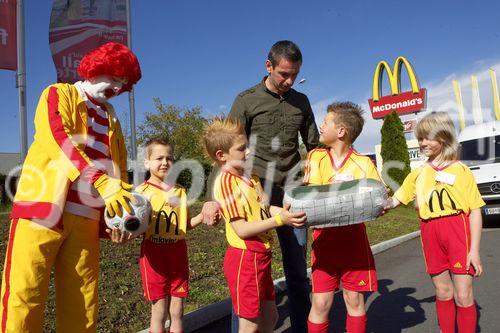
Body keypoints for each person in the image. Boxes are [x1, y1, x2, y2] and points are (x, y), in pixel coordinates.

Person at [0, 42, 141, 332]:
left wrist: (119, 218)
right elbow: (57, 139)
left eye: (123, 85)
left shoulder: (112, 118)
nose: (116, 89)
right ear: (97, 68)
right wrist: (101, 181)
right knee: (24, 296)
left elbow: (119, 168)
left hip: (86, 220)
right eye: (114, 79)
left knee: (82, 303)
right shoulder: (57, 94)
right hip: (42, 211)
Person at [228, 40, 319, 333]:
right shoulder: (246, 100)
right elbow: (227, 149)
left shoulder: (301, 102)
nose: (289, 81)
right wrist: (216, 198)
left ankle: (303, 327)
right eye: (284, 74)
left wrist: (315, 170)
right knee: (251, 270)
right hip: (256, 196)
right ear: (268, 66)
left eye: (294, 74)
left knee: (296, 269)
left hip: (293, 194)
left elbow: (315, 146)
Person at [202, 117, 307, 333]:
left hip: (262, 256)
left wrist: (289, 213)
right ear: (222, 156)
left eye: (248, 145)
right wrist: (280, 220)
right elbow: (241, 229)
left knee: (270, 316)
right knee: (249, 326)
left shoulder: (252, 177)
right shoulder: (226, 183)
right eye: (242, 149)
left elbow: (264, 209)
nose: (249, 152)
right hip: (244, 259)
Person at [385, 111, 484, 333]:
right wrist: (377, 203)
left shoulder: (461, 170)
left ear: (444, 137)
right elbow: (395, 200)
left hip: (457, 230)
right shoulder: (418, 173)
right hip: (430, 232)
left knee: (463, 294)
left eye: (428, 137)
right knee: (443, 292)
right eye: (420, 138)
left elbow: (475, 210)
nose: (422, 143)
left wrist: (474, 250)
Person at [304, 102, 382, 333]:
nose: (321, 124)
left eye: (326, 122)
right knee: (320, 302)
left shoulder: (364, 163)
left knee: (354, 300)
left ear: (341, 131)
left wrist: (380, 202)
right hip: (325, 241)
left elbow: (376, 198)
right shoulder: (315, 157)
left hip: (353, 242)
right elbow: (312, 197)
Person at [132, 137, 220, 333]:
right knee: (159, 311)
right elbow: (134, 228)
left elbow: (184, 226)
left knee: (177, 310)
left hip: (178, 253)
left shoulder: (180, 191)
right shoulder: (140, 193)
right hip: (154, 255)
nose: (165, 162)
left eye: (169, 158)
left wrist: (202, 217)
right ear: (146, 162)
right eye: (158, 158)